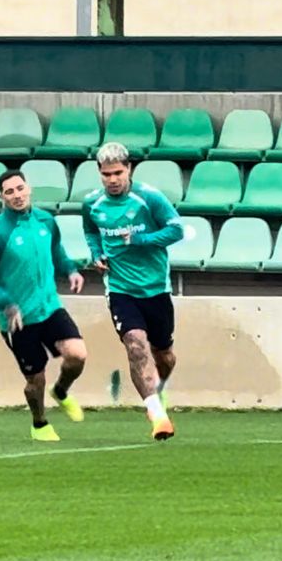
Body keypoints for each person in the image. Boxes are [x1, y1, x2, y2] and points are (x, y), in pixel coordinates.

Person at [0, 169, 88, 441]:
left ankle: (61, 391)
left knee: (77, 355)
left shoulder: (46, 220)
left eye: (20, 188)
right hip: (19, 319)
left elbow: (56, 250)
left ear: (29, 188)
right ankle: (39, 423)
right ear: (1, 197)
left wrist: (70, 270)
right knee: (35, 379)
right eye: (9, 192)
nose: (17, 195)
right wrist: (6, 304)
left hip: (49, 307)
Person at [82, 141, 184, 441]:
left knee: (164, 355)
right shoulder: (92, 203)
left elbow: (176, 229)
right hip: (120, 288)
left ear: (129, 169)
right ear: (99, 173)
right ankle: (157, 415)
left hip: (155, 288)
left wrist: (141, 240)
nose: (112, 180)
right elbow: (90, 231)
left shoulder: (148, 198)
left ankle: (159, 390)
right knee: (135, 344)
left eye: (118, 173)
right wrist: (96, 254)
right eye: (106, 174)